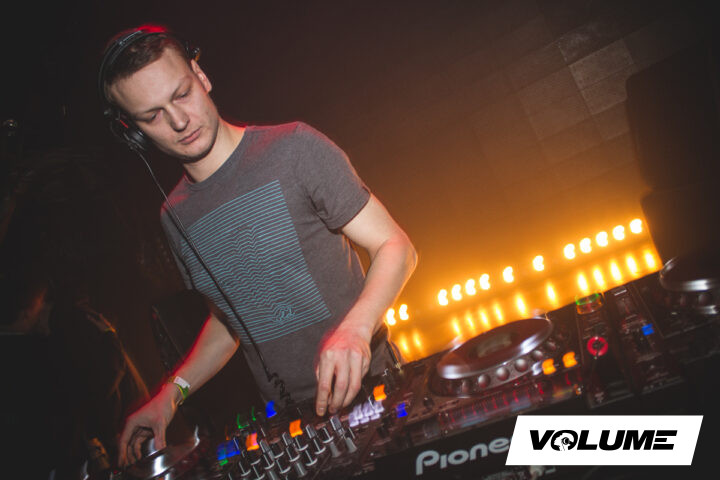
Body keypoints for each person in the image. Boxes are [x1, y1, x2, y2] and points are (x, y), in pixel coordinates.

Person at [100, 25, 417, 467]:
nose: (178, 121)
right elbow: (229, 321)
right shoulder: (174, 217)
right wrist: (170, 395)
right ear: (133, 131)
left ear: (201, 76)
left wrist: (356, 329)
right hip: (289, 425)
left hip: (375, 392)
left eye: (182, 94)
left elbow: (395, 246)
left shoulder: (294, 148)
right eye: (152, 115)